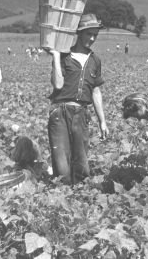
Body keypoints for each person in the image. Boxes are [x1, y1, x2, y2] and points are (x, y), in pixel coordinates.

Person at [46, 14, 109, 185]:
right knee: (62, 168)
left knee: (82, 166)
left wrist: (102, 121)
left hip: (81, 114)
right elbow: (58, 84)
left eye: (95, 34)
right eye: (89, 34)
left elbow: (95, 91)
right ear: (79, 34)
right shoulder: (65, 56)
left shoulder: (95, 60)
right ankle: (62, 198)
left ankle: (80, 198)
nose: (92, 38)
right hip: (60, 112)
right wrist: (56, 57)